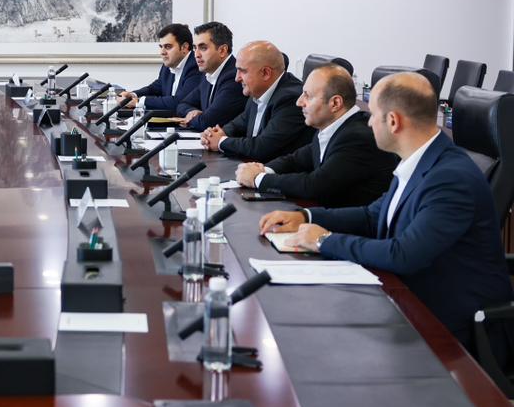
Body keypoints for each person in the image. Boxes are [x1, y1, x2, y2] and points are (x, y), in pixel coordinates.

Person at [258, 72, 514, 347]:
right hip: (412, 299)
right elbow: (373, 215)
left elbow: (404, 254)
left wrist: (323, 240)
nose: (368, 122)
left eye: (373, 116)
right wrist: (305, 217)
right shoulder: (420, 160)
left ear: (393, 121)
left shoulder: (450, 178)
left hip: (456, 326)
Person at [236, 64, 398, 206]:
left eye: (307, 95)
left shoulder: (357, 137)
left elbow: (314, 185)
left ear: (335, 103)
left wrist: (258, 178)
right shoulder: (334, 127)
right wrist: (263, 169)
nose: (299, 102)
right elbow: (296, 160)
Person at [200, 40, 313, 162]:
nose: (237, 78)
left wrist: (220, 142)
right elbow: (239, 124)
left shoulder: (290, 100)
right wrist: (217, 133)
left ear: (265, 73)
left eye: (243, 71)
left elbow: (262, 147)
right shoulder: (257, 91)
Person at [175, 21, 247, 130]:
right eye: (195, 48)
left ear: (222, 50)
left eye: (203, 48)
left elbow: (206, 122)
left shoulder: (234, 77)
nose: (196, 55)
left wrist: (191, 119)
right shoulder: (208, 75)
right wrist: (192, 112)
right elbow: (182, 104)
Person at [120, 23, 200, 113]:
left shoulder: (196, 66)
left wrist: (140, 102)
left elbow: (180, 101)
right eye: (161, 47)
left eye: (168, 47)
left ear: (184, 47)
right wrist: (133, 95)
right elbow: (155, 88)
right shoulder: (169, 65)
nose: (162, 52)